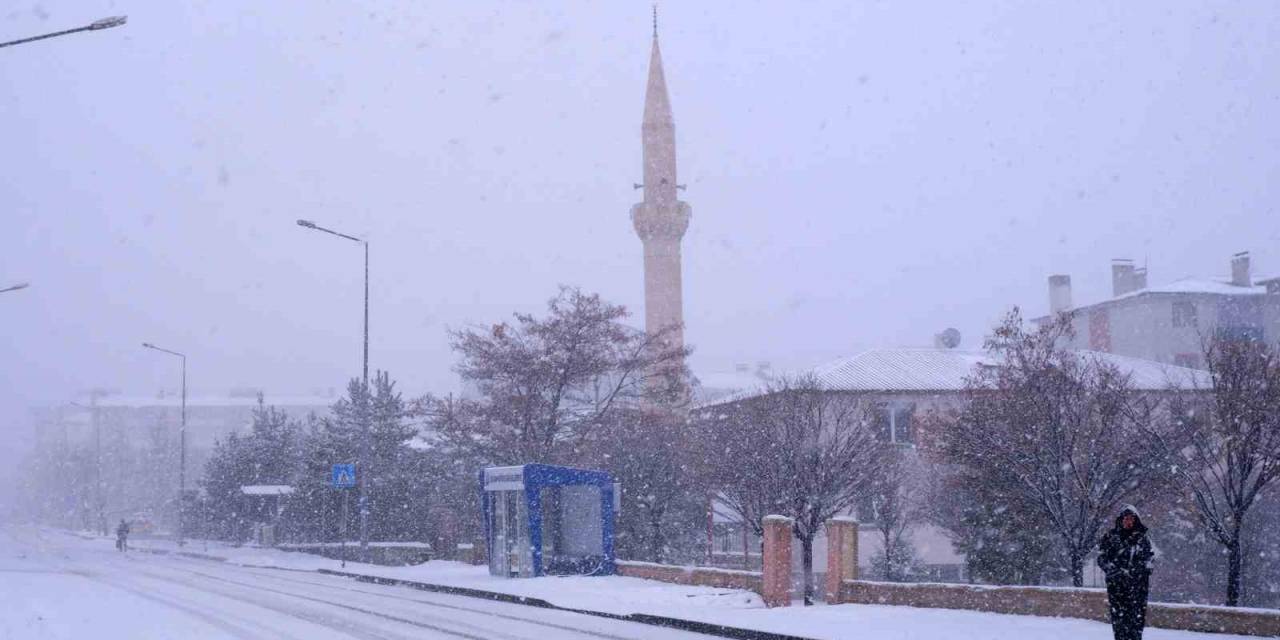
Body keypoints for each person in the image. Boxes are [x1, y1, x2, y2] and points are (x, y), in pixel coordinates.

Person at [1096, 505, 1154, 640]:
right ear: (1121, 520)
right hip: (1116, 587)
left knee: (1136, 621)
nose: (1128, 522)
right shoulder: (1110, 537)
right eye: (1126, 519)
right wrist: (1113, 571)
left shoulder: (1142, 539)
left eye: (1131, 519)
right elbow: (1102, 557)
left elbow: (1149, 561)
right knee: (1119, 622)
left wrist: (1136, 572)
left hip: (1137, 588)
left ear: (1135, 520)